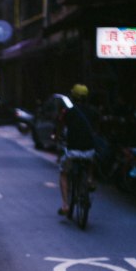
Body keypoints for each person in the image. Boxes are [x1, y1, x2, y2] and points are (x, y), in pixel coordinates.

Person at [58, 83, 99, 216]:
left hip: (73, 151)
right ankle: (89, 179)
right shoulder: (93, 112)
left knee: (64, 174)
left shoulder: (68, 112)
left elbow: (61, 126)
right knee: (92, 159)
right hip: (89, 151)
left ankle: (65, 205)